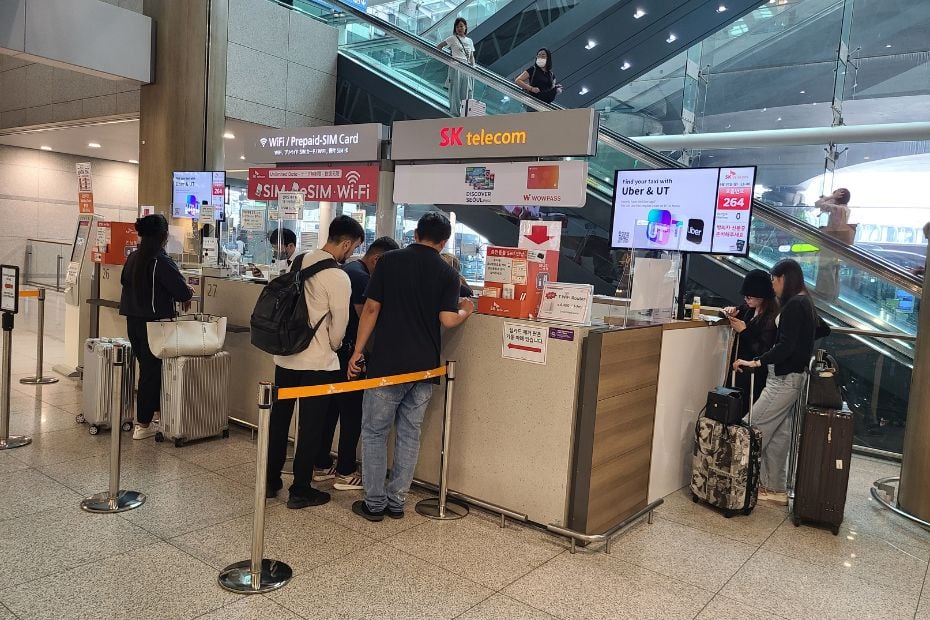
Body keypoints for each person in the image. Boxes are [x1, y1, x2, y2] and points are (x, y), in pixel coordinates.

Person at [348, 213, 474, 521]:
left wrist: (358, 351)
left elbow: (372, 309)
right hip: (424, 368)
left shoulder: (389, 262)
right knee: (409, 434)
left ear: (415, 233)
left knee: (375, 433)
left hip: (387, 363)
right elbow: (447, 319)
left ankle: (374, 504)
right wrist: (466, 311)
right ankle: (396, 502)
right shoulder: (446, 273)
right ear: (444, 241)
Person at [266, 215, 365, 510]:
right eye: (354, 247)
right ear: (346, 243)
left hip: (285, 356)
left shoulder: (302, 260)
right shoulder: (338, 275)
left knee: (279, 421)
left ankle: (271, 481)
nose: (352, 254)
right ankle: (300, 489)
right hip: (318, 363)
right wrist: (333, 347)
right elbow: (341, 324)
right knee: (310, 427)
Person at [733, 259, 830, 506]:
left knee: (750, 427)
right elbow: (819, 330)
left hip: (784, 378)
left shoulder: (795, 305)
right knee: (778, 435)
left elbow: (785, 346)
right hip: (791, 377)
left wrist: (755, 362)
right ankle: (774, 488)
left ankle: (738, 482)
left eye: (774, 281)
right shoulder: (803, 302)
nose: (773, 287)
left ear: (784, 279)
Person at [313, 236, 400, 491]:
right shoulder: (361, 277)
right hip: (350, 354)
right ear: (377, 259)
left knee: (331, 410)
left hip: (335, 353)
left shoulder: (348, 269)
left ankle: (320, 464)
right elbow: (366, 317)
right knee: (351, 413)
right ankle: (345, 471)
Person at [119, 214, 194, 440]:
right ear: (163, 236)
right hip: (155, 325)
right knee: (152, 372)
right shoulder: (160, 261)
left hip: (133, 321)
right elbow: (181, 291)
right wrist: (188, 293)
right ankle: (143, 423)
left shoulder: (133, 258)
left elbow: (124, 283)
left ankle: (153, 415)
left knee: (148, 369)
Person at [723, 269, 778, 414]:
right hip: (739, 369)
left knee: (745, 412)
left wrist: (744, 331)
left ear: (762, 296)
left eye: (749, 297)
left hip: (755, 374)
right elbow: (733, 311)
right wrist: (729, 311)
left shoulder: (771, 317)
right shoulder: (748, 309)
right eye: (745, 297)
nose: (746, 300)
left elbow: (763, 350)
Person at [437, 17, 475, 116]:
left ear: (465, 27)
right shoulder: (452, 38)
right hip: (455, 66)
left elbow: (471, 57)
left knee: (466, 90)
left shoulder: (470, 41)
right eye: (457, 26)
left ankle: (465, 113)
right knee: (455, 90)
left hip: (466, 68)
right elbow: (439, 46)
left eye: (461, 26)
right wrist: (447, 60)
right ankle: (455, 112)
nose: (459, 28)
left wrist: (473, 68)